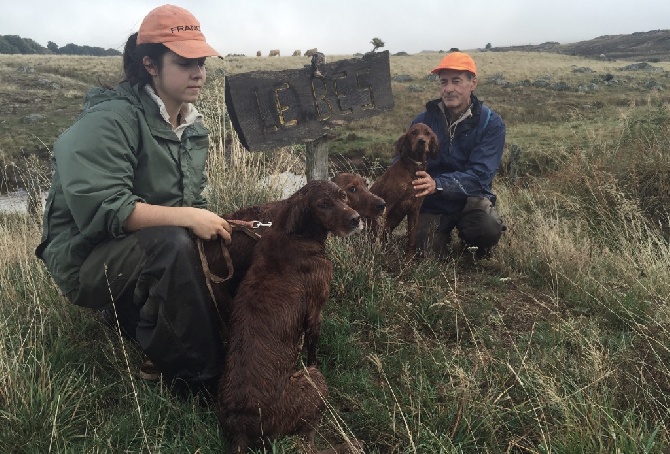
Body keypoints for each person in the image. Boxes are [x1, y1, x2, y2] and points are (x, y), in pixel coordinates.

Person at [35, 4, 231, 386]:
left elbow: (191, 199)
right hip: (87, 258)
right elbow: (108, 211)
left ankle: (144, 320)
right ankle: (200, 378)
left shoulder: (192, 127)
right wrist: (189, 217)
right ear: (150, 65)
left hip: (136, 248)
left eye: (202, 61)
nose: (199, 72)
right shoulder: (110, 120)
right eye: (185, 61)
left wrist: (202, 221)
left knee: (215, 241)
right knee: (174, 242)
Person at [410, 51, 506, 258]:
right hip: (433, 201)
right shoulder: (423, 121)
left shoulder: (491, 123)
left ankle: (475, 249)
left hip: (470, 197)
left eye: (456, 81)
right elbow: (405, 160)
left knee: (486, 229)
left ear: (473, 83)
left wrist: (438, 184)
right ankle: (435, 237)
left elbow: (481, 176)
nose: (449, 89)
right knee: (422, 249)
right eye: (443, 82)